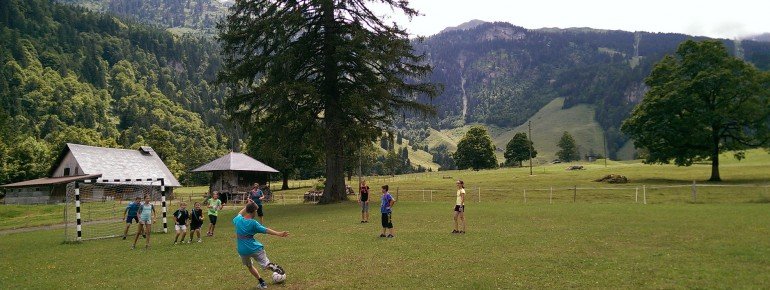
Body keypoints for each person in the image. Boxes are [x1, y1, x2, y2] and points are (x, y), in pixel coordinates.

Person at [234, 202, 288, 289]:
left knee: (249, 266)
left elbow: (239, 213)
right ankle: (274, 267)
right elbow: (266, 230)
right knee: (266, 264)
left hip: (243, 250)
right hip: (255, 248)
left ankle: (262, 282)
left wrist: (247, 206)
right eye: (256, 211)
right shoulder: (253, 223)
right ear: (253, 212)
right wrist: (278, 233)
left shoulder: (238, 220)